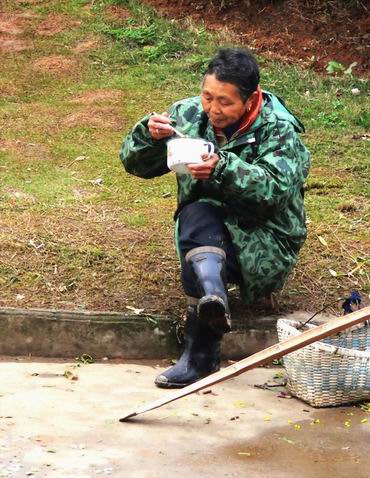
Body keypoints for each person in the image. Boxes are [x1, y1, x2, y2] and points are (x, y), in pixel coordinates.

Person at [120, 48, 310, 388]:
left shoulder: (279, 130)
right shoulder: (187, 114)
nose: (213, 109)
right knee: (196, 211)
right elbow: (135, 165)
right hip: (207, 230)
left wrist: (222, 169)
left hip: (265, 239)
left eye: (225, 102)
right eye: (208, 96)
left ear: (251, 99)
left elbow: (274, 193)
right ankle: (213, 303)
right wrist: (148, 137)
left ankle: (201, 349)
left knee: (199, 226)